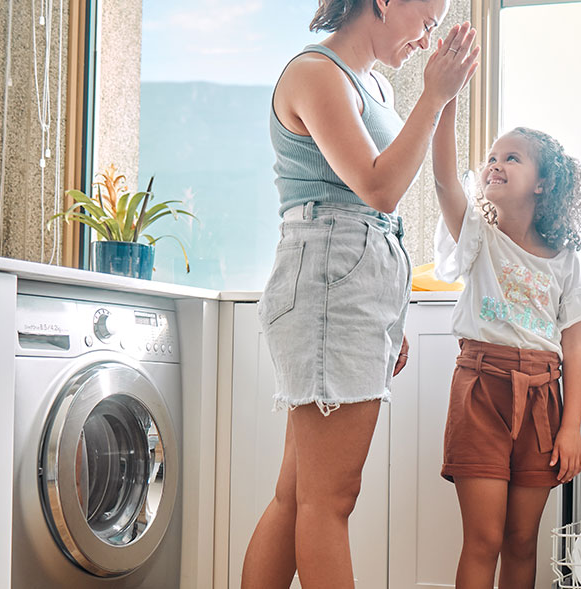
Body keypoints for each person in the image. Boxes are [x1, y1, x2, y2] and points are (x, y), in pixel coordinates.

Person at [242, 1, 478, 587]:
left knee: (298, 497)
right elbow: (378, 188)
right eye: (424, 23)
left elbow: (377, 212)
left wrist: (391, 316)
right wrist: (434, 95)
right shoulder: (315, 74)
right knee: (330, 502)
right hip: (327, 288)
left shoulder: (373, 86)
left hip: (347, 291)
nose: (425, 41)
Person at [431, 101, 581, 587]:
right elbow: (445, 179)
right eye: (491, 156)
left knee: (523, 542)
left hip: (543, 403)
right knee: (483, 540)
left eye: (511, 157)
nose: (495, 163)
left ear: (544, 183)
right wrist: (446, 103)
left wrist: (571, 430)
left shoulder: (566, 261)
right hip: (482, 390)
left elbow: (575, 349)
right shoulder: (477, 235)